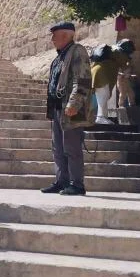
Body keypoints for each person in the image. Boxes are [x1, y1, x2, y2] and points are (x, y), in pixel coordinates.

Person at [42, 22, 93, 196]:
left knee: (72, 148)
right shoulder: (59, 57)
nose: (51, 39)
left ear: (65, 35)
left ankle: (76, 184)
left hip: (70, 108)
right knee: (58, 148)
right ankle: (62, 181)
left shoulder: (77, 51)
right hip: (58, 108)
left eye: (54, 35)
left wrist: (74, 103)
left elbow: (83, 79)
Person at [91, 39, 136, 123]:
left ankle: (103, 117)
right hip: (102, 74)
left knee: (103, 95)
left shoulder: (112, 50)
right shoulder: (120, 53)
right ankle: (100, 117)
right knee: (103, 96)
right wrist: (128, 73)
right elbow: (125, 68)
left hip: (96, 72)